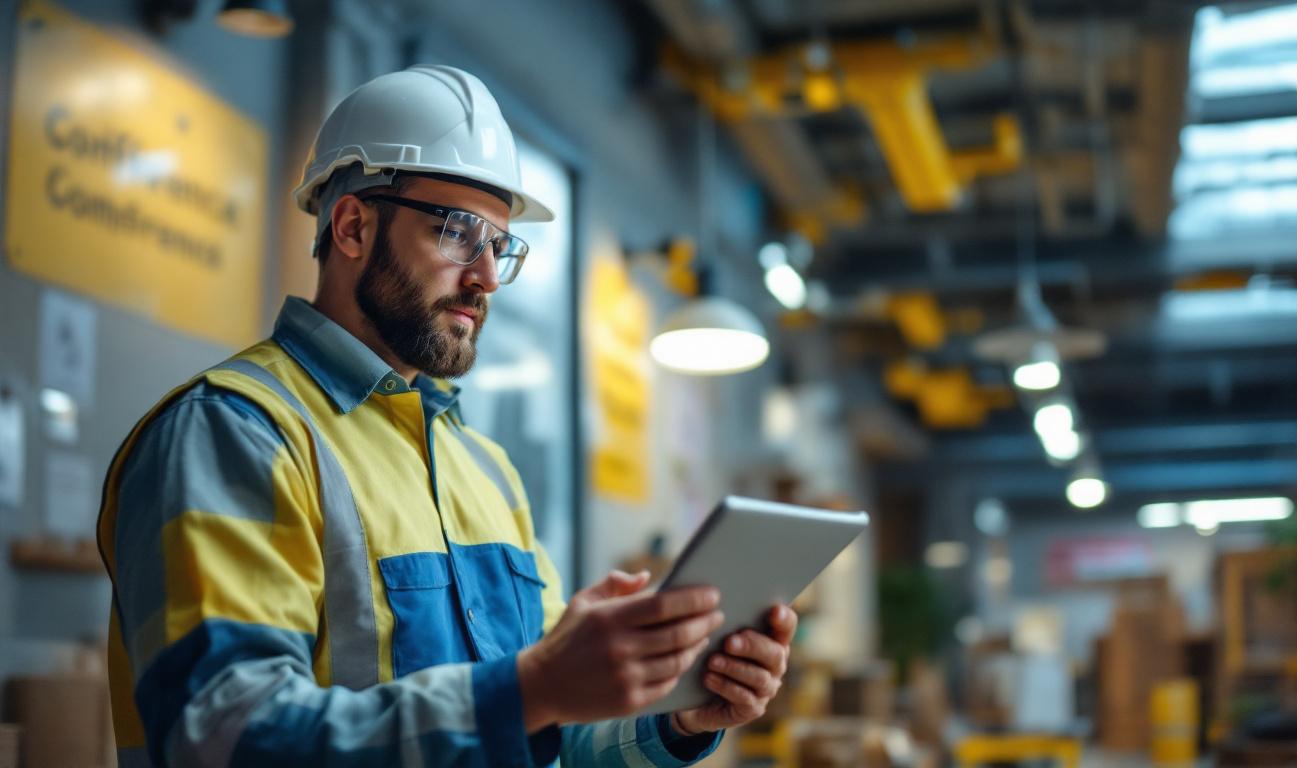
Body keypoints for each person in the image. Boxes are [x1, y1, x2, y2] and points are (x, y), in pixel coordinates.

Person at [96, 64, 797, 767]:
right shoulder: (233, 433)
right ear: (351, 227)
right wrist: (529, 688)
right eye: (458, 233)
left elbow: (554, 738)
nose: (487, 276)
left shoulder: (485, 472)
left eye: (498, 245)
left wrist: (676, 717)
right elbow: (221, 737)